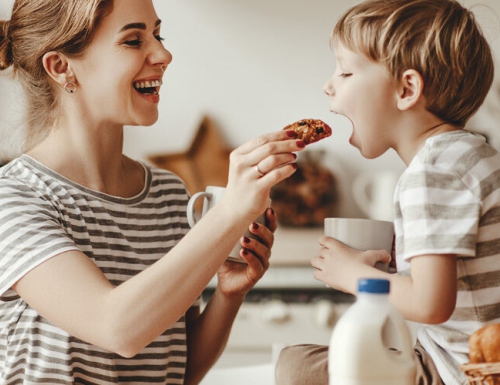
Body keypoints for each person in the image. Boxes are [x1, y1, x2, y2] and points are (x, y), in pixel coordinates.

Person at [0, 0, 307, 384]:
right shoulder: (14, 198)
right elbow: (116, 328)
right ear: (62, 67)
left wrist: (228, 295)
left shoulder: (166, 194)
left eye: (157, 34)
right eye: (133, 40)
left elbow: (179, 367)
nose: (163, 54)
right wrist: (229, 213)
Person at [275, 0, 499, 384]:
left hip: (456, 372)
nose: (328, 85)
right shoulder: (472, 155)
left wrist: (352, 275)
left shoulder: (432, 172)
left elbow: (431, 304)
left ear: (407, 88)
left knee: (296, 365)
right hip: (459, 358)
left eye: (345, 72)